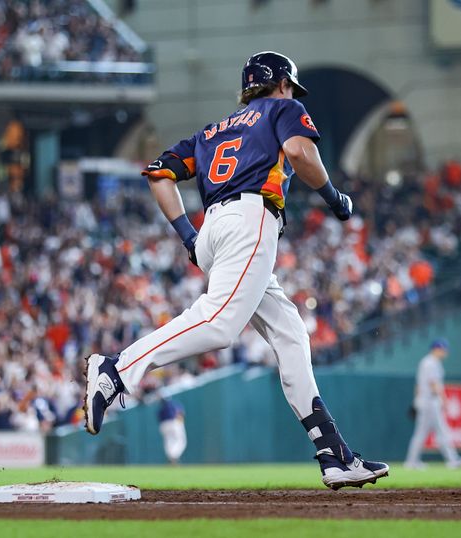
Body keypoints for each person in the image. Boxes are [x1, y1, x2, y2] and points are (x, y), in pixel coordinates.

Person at [83, 51, 389, 490]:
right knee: (220, 325)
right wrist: (334, 197)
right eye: (289, 87)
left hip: (214, 227)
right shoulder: (284, 108)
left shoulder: (210, 132)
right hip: (251, 220)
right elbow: (301, 153)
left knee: (291, 333)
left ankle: (334, 453)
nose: (291, 93)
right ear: (282, 84)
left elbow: (158, 175)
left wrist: (190, 237)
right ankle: (116, 370)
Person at [404, 339, 461, 470]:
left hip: (424, 401)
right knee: (441, 432)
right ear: (436, 349)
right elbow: (434, 384)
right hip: (430, 402)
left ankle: (412, 461)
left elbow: (418, 385)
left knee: (422, 433)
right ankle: (452, 460)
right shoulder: (431, 363)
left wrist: (417, 400)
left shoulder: (425, 362)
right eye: (443, 349)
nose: (445, 352)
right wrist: (444, 400)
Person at [157, 392, 186, 465]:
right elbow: (181, 414)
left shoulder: (161, 407)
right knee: (181, 441)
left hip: (164, 425)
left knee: (168, 441)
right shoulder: (174, 404)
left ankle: (170, 458)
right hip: (174, 423)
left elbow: (159, 419)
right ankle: (174, 457)